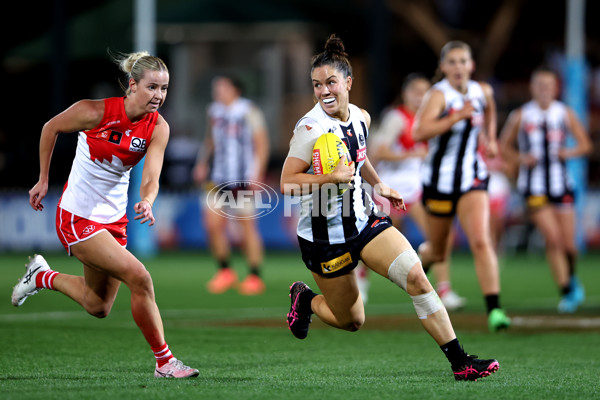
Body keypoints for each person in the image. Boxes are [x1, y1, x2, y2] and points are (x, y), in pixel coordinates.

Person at [281, 34, 499, 381]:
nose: (324, 91)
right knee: (352, 320)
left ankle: (461, 362)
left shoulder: (361, 117)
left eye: (331, 82)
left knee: (417, 277)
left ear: (348, 82)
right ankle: (305, 300)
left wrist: (379, 184)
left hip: (366, 222)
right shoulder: (309, 128)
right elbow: (287, 182)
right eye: (317, 84)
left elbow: (361, 157)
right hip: (325, 236)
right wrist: (329, 178)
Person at [11, 51, 199, 378]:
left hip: (113, 220)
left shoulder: (158, 128)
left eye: (164, 89)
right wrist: (43, 178)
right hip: (78, 216)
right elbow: (50, 128)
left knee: (97, 305)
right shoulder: (95, 111)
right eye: (152, 87)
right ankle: (165, 362)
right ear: (132, 85)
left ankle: (41, 276)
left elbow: (152, 177)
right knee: (140, 276)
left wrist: (148, 200)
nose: (159, 96)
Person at [412, 40, 511, 332]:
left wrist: (491, 139)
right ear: (443, 67)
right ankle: (421, 263)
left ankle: (495, 310)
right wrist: (455, 117)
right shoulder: (439, 95)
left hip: (472, 178)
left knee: (481, 240)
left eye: (463, 61)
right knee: (440, 250)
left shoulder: (483, 91)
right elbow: (419, 132)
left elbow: (490, 112)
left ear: (472, 65)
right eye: (452, 62)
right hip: (440, 182)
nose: (458, 67)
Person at [364, 72, 466, 310]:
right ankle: (362, 281)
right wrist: (412, 154)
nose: (421, 97)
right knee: (374, 240)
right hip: (391, 189)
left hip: (417, 190)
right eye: (416, 92)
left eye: (425, 93)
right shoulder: (396, 118)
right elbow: (378, 152)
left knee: (439, 237)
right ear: (406, 94)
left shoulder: (431, 119)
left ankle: (444, 289)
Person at [499, 67, 592, 313]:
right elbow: (503, 147)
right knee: (553, 239)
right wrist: (520, 159)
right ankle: (566, 291)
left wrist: (567, 152)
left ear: (556, 88)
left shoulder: (564, 113)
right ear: (532, 88)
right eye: (540, 85)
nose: (544, 90)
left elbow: (585, 145)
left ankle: (571, 278)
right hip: (534, 187)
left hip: (561, 184)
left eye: (549, 86)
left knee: (569, 245)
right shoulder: (521, 115)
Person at [193, 75, 270, 296]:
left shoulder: (249, 111)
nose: (217, 91)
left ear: (235, 90)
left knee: (247, 228)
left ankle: (255, 275)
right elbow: (210, 140)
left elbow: (261, 143)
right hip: (218, 177)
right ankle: (225, 271)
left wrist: (257, 173)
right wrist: (201, 163)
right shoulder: (214, 111)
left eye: (221, 87)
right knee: (212, 225)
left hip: (242, 179)